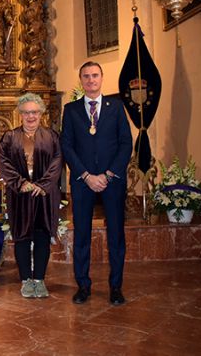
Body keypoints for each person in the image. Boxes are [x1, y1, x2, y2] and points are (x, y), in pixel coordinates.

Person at [60, 61, 132, 306]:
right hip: (82, 182)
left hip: (112, 181)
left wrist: (109, 174)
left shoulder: (117, 107)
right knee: (81, 235)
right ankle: (83, 285)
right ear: (81, 80)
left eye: (95, 75)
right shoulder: (71, 110)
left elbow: (125, 144)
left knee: (116, 235)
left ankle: (116, 287)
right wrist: (87, 176)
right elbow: (67, 146)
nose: (91, 80)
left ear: (102, 78)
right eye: (86, 76)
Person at [0, 93, 62, 298]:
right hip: (20, 194)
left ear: (41, 113)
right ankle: (26, 280)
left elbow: (58, 161)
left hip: (44, 194)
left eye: (34, 112)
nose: (30, 116)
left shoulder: (51, 136)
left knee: (42, 235)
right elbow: (3, 161)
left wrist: (43, 185)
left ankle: (40, 280)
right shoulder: (10, 137)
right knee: (22, 237)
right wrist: (21, 183)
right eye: (26, 113)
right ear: (20, 114)